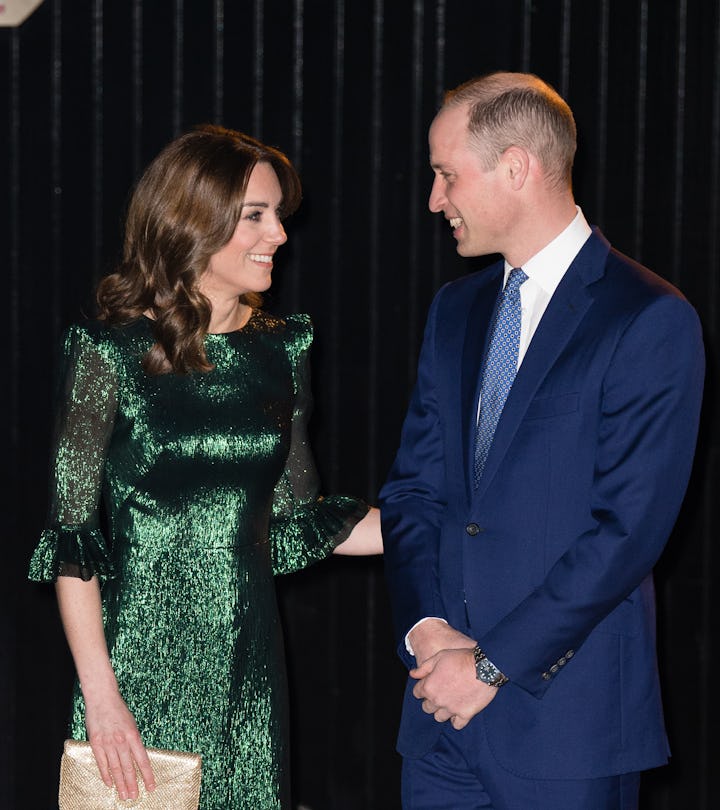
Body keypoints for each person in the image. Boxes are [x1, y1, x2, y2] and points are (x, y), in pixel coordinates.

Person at [28, 124, 382, 810]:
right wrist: (102, 698)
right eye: (256, 215)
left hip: (247, 672)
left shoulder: (282, 352)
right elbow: (72, 540)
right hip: (134, 668)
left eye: (278, 214)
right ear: (192, 220)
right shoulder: (109, 352)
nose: (279, 234)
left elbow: (298, 521)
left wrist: (449, 523)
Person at [379, 71, 705, 809]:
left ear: (516, 167)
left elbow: (627, 533)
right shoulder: (454, 310)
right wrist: (427, 630)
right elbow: (412, 492)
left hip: (567, 731)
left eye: (445, 174)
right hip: (437, 726)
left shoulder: (648, 317)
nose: (435, 199)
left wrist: (488, 668)